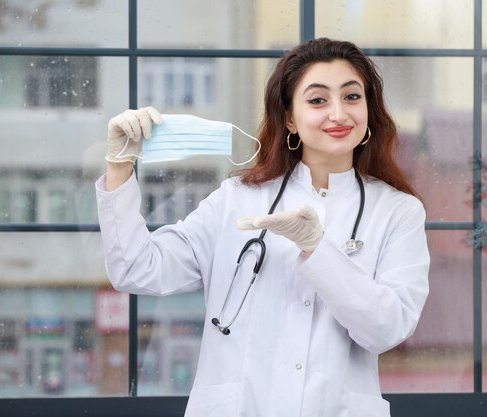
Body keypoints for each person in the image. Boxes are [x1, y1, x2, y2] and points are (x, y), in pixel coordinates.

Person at [96, 38, 430, 417]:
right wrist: (120, 167)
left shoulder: (398, 211)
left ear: (369, 109)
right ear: (289, 117)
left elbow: (387, 329)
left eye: (352, 97)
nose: (338, 113)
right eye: (318, 100)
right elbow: (137, 269)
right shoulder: (237, 199)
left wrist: (319, 249)